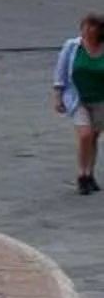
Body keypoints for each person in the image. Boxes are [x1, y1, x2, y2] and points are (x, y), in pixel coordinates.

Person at [54, 15, 104, 193]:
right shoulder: (72, 46)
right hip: (77, 98)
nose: (87, 31)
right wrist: (58, 96)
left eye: (92, 27)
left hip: (100, 99)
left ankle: (90, 173)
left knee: (94, 138)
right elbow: (60, 72)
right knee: (85, 135)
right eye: (85, 27)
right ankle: (81, 175)